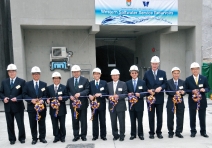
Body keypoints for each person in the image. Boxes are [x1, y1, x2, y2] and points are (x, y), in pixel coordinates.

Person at [0, 64, 26, 145]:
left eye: (13, 71)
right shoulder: (4, 82)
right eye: (10, 72)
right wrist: (3, 98)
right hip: (8, 107)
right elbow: (1, 92)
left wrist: (17, 98)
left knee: (20, 123)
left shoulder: (21, 81)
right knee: (9, 123)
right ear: (8, 73)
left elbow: (24, 93)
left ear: (16, 72)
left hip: (18, 106)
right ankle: (12, 138)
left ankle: (22, 138)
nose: (11, 73)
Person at [143, 56, 167, 139]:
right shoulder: (147, 73)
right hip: (150, 98)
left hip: (159, 97)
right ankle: (151, 132)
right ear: (151, 64)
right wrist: (148, 90)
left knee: (159, 116)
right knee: (151, 116)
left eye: (156, 63)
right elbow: (144, 84)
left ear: (158, 64)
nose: (154, 65)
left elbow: (165, 83)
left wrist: (161, 87)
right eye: (153, 63)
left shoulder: (162, 73)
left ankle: (159, 132)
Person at [23, 66, 47, 145]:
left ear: (40, 75)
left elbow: (46, 95)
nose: (36, 75)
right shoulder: (27, 84)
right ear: (32, 75)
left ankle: (42, 137)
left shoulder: (44, 84)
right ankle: (34, 138)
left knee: (42, 123)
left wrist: (42, 100)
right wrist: (31, 100)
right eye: (34, 74)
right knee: (33, 124)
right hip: (31, 108)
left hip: (41, 107)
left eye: (37, 74)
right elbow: (24, 95)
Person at [185, 62, 210, 138]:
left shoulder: (204, 78)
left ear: (199, 69)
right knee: (192, 117)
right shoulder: (188, 79)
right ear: (191, 70)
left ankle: (203, 132)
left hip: (202, 101)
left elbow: (208, 88)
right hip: (192, 101)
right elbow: (186, 90)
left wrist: (204, 89)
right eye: (193, 69)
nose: (195, 71)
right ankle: (193, 131)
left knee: (202, 117)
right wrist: (192, 91)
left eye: (196, 69)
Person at [66, 65, 89, 141]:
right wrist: (70, 96)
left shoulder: (85, 80)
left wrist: (80, 94)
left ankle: (83, 135)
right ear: (72, 73)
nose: (76, 73)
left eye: (77, 72)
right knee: (75, 120)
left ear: (80, 72)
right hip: (73, 105)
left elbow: (87, 90)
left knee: (83, 121)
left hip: (82, 104)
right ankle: (76, 135)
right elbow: (67, 90)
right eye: (74, 72)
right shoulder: (69, 81)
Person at [126, 65, 147, 140]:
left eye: (135, 73)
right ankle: (133, 134)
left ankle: (140, 134)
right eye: (132, 73)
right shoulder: (127, 83)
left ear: (137, 73)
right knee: (132, 120)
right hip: (131, 105)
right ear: (130, 74)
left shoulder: (142, 82)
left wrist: (140, 94)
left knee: (140, 120)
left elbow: (146, 92)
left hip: (139, 105)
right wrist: (128, 94)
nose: (134, 74)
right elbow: (125, 92)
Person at [46, 72, 68, 143]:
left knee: (62, 124)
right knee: (54, 124)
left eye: (58, 78)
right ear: (52, 79)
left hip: (61, 109)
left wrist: (63, 98)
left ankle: (62, 136)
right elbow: (46, 97)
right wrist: (47, 100)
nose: (56, 80)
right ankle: (56, 136)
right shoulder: (49, 88)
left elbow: (67, 96)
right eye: (54, 78)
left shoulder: (64, 87)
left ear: (60, 79)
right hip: (53, 109)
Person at [107, 69, 127, 141]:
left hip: (120, 106)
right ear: (111, 76)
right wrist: (108, 97)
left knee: (121, 121)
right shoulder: (108, 84)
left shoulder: (123, 84)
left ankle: (122, 135)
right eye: (113, 75)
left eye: (116, 75)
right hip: (112, 106)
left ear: (119, 76)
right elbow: (106, 94)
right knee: (113, 121)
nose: (115, 76)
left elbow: (125, 94)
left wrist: (118, 96)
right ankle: (115, 135)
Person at [89, 68, 108, 141]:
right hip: (93, 105)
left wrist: (101, 94)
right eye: (95, 74)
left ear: (100, 75)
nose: (96, 75)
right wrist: (89, 96)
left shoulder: (104, 83)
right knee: (94, 121)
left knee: (102, 120)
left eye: (98, 74)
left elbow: (107, 93)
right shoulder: (90, 83)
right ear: (93, 75)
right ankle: (95, 135)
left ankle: (103, 135)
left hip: (102, 105)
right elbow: (88, 92)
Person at [166, 67, 185, 138]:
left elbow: (185, 90)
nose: (176, 75)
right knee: (170, 118)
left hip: (180, 102)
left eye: (177, 73)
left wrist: (183, 92)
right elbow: (167, 91)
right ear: (172, 74)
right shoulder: (168, 82)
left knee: (180, 117)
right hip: (171, 102)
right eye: (175, 73)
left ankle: (178, 132)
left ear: (179, 74)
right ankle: (170, 132)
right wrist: (175, 92)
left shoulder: (183, 82)